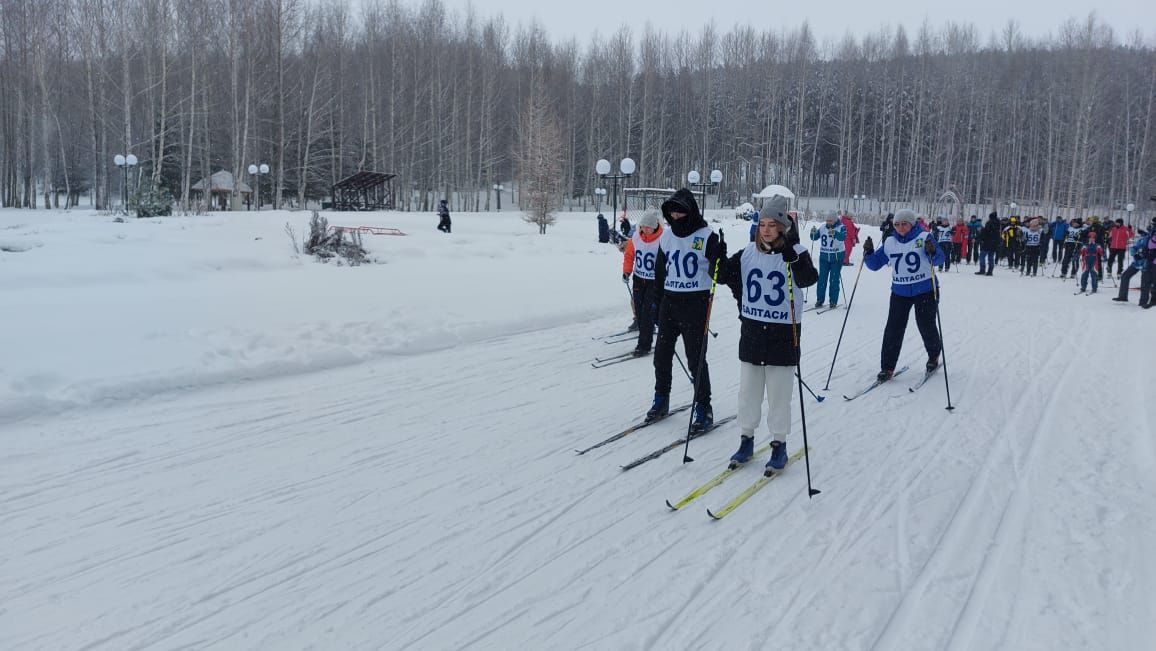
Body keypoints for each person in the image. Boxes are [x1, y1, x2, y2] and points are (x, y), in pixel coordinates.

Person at [719, 198, 818, 471]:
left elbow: (809, 279)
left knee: (779, 395)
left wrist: (795, 261)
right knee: (748, 393)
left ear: (783, 228)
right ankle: (746, 440)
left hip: (783, 335)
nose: (765, 230)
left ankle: (779, 444)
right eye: (762, 224)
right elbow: (723, 275)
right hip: (752, 333)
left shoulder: (796, 251)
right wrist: (716, 255)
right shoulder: (748, 253)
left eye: (772, 225)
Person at [645, 188, 727, 432]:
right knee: (661, 355)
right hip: (670, 302)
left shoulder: (706, 235)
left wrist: (719, 257)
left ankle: (703, 406)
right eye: (672, 211)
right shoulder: (667, 237)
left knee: (696, 359)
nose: (676, 216)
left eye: (681, 211)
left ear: (690, 211)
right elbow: (660, 273)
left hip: (695, 304)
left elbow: (719, 275)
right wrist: (656, 302)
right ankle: (661, 398)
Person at [861, 208, 944, 381]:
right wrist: (868, 253)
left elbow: (939, 259)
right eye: (897, 224)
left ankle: (934, 355)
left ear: (912, 224)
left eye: (904, 224)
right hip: (900, 291)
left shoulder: (924, 237)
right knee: (893, 329)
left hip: (925, 290)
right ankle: (887, 367)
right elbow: (875, 264)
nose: (900, 227)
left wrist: (933, 251)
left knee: (925, 325)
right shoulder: (890, 241)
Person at [621, 209, 664, 355]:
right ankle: (649, 328)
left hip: (654, 282)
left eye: (648, 227)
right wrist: (627, 271)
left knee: (647, 312)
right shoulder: (636, 237)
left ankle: (644, 345)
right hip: (639, 279)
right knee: (639, 311)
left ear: (655, 226)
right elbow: (629, 255)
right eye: (643, 226)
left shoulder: (663, 239)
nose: (645, 229)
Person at [809, 214, 845, 308]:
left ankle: (833, 301)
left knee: (834, 279)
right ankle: (820, 300)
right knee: (822, 279)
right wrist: (812, 233)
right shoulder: (823, 227)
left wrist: (836, 234)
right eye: (827, 220)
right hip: (824, 257)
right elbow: (814, 237)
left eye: (830, 221)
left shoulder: (841, 227)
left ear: (835, 220)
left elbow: (843, 237)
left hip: (836, 257)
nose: (828, 223)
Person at [1112, 226, 1151, 304]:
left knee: (1144, 283)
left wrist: (1144, 255)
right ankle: (1123, 296)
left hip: (1146, 264)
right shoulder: (1143, 238)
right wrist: (1135, 254)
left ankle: (1143, 302)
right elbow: (1134, 248)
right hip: (1136, 263)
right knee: (1125, 276)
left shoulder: (1151, 238)